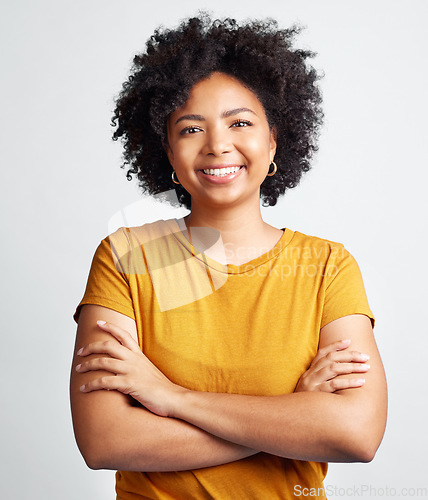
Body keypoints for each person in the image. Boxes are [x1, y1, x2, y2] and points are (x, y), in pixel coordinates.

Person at [70, 14, 387, 499]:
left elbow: (355, 434)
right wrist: (291, 417)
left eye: (240, 122)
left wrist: (171, 399)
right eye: (191, 128)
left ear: (274, 139)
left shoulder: (327, 267)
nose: (218, 145)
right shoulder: (126, 257)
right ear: (168, 153)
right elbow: (105, 440)